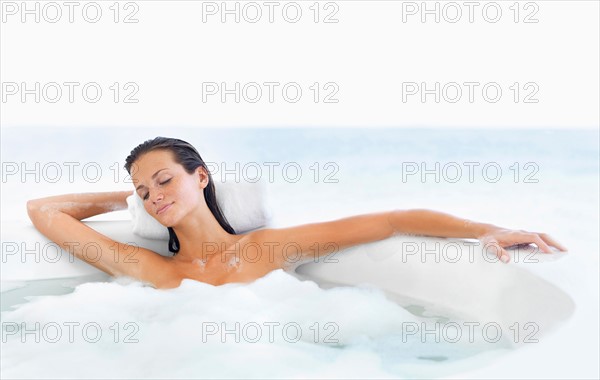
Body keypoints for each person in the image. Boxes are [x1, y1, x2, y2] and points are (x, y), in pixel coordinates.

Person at [27, 137, 568, 289]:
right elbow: (42, 209)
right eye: (143, 192)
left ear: (202, 175)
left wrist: (491, 230)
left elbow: (394, 220)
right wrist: (123, 199)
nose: (154, 196)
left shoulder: (263, 249)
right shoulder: (153, 269)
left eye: (163, 179)